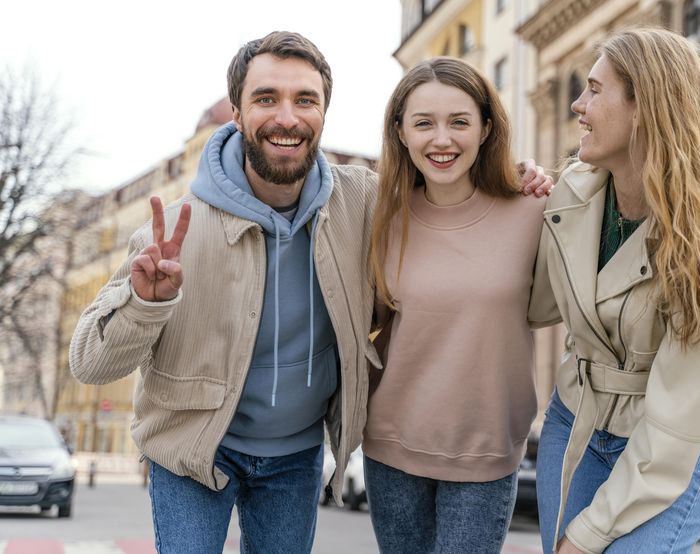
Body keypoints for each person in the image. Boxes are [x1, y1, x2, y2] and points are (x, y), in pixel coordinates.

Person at [69, 31, 550, 553]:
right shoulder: (178, 230)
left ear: (324, 113)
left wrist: (520, 178)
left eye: (305, 100)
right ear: (237, 112)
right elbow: (90, 364)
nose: (287, 117)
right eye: (266, 98)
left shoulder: (363, 202)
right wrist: (147, 303)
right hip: (193, 450)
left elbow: (445, 203)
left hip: (296, 455)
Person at [529, 28, 700, 553]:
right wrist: (514, 210)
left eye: (594, 90)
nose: (578, 104)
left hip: (669, 442)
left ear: (645, 108)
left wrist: (586, 536)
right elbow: (534, 305)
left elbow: (673, 427)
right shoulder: (569, 191)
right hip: (574, 423)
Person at [363, 57, 549, 554]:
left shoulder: (534, 209)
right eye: (423, 123)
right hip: (391, 448)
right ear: (400, 132)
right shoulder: (381, 216)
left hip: (485, 456)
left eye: (459, 122)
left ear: (487, 128)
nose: (441, 140)